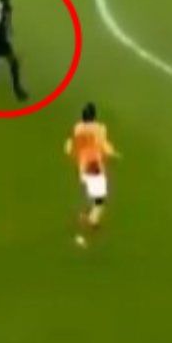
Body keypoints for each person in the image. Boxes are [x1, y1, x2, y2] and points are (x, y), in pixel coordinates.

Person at [64, 102, 118, 247]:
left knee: (94, 195)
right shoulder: (100, 128)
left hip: (82, 167)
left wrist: (74, 156)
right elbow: (104, 145)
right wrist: (113, 153)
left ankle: (89, 217)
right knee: (100, 201)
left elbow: (68, 147)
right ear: (94, 116)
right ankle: (88, 225)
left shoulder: (77, 128)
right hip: (95, 168)